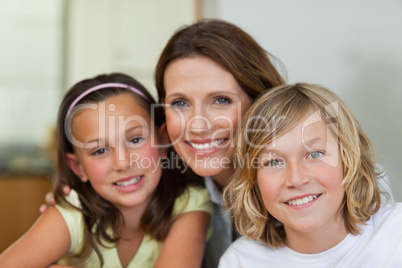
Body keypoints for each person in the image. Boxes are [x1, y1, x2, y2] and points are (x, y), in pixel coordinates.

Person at [40, 19, 394, 268]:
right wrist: (78, 207)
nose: (198, 125)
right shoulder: (169, 190)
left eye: (221, 100)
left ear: (259, 102)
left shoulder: (339, 184)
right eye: (180, 103)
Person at [0, 73, 212, 268]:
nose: (122, 163)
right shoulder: (74, 214)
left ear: (163, 141)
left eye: (135, 139)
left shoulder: (189, 205)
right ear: (78, 167)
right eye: (100, 150)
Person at [219, 83, 401, 267]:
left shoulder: (396, 234)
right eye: (273, 162)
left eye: (314, 154)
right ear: (253, 180)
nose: (296, 179)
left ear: (349, 159)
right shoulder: (239, 261)